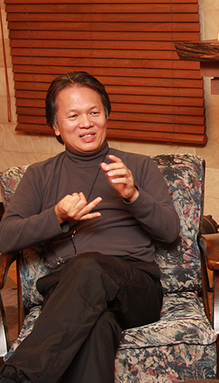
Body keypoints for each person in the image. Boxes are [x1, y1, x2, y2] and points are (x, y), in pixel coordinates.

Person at [0, 71, 181, 383]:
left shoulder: (137, 166)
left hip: (135, 288)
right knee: (96, 329)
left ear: (106, 115)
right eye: (73, 116)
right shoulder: (39, 176)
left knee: (89, 265)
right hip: (68, 292)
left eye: (94, 112)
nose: (86, 123)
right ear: (56, 126)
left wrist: (133, 195)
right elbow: (5, 236)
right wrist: (56, 216)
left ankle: (17, 376)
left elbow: (169, 232)